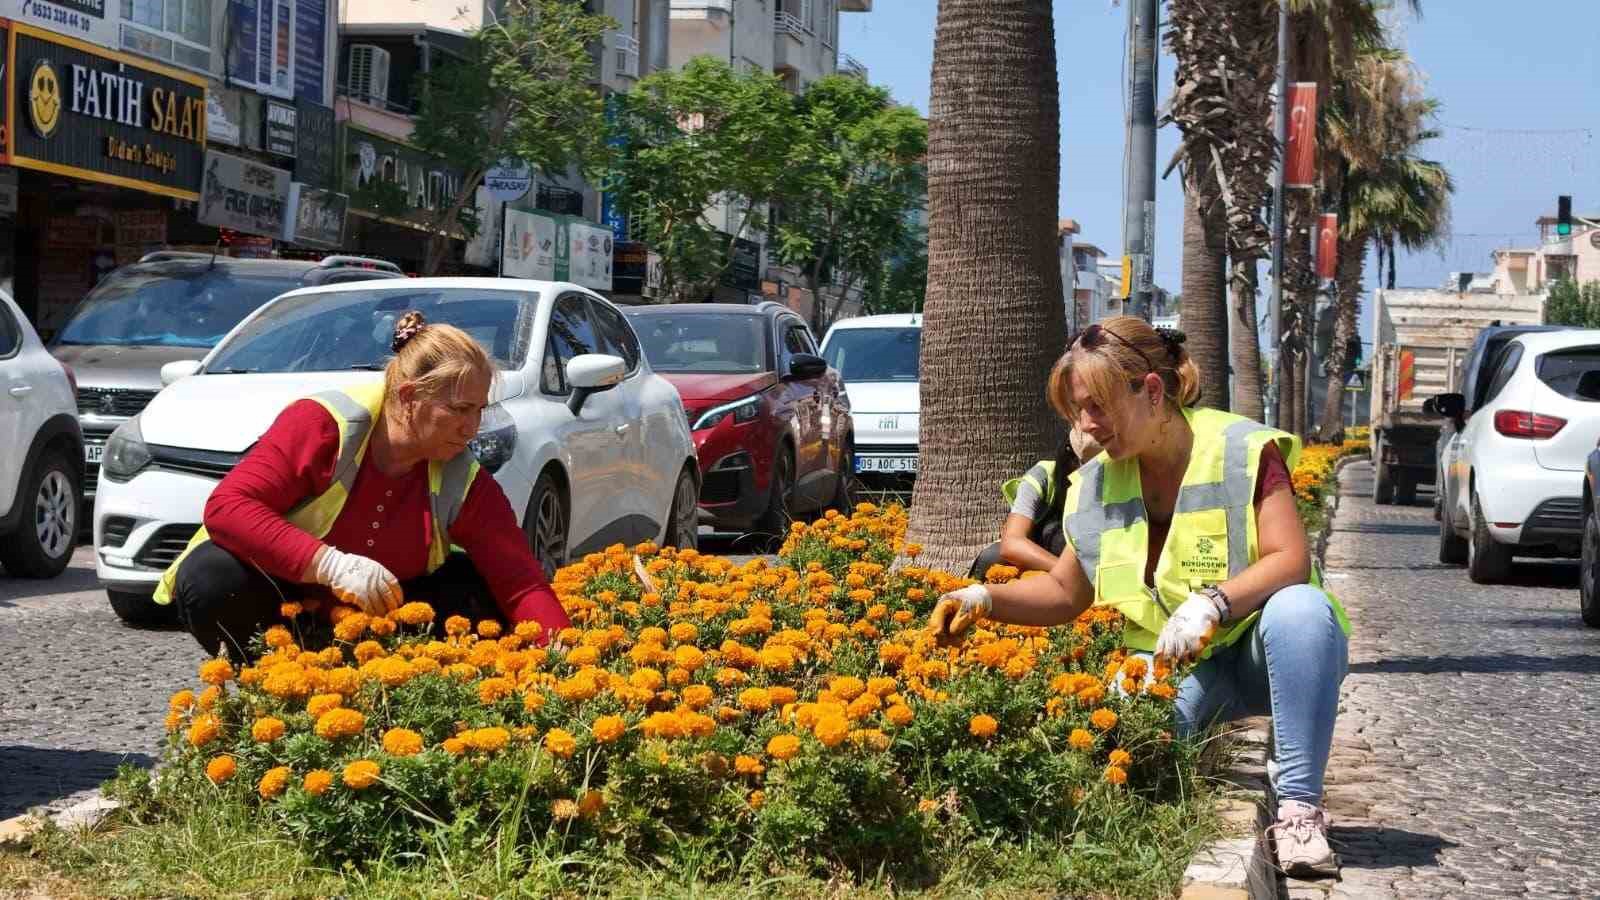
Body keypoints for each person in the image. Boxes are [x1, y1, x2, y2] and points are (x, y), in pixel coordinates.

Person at [929, 316, 1351, 878]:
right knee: (1129, 749)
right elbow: (1064, 591)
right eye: (1078, 411)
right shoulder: (1098, 483)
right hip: (1177, 666)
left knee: (1302, 609)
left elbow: (1290, 558)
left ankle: (1299, 811)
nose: (1087, 425)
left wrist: (1215, 602)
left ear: (1151, 390)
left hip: (1265, 656)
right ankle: (1198, 741)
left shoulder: (1241, 449)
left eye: (1097, 407)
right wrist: (983, 598)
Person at [154, 311, 571, 661]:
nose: (472, 428)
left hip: (379, 616)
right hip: (285, 603)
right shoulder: (324, 426)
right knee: (212, 575)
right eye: (459, 409)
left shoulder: (462, 475)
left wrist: (563, 659)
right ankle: (275, 685)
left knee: (477, 587)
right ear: (408, 397)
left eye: (479, 410)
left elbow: (521, 581)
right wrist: (331, 566)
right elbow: (228, 507)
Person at [968, 427, 1103, 579]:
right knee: (992, 556)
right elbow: (1012, 542)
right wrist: (1069, 573)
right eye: (1087, 465)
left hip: (1088, 562)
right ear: (1070, 457)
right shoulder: (1043, 475)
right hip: (1046, 559)